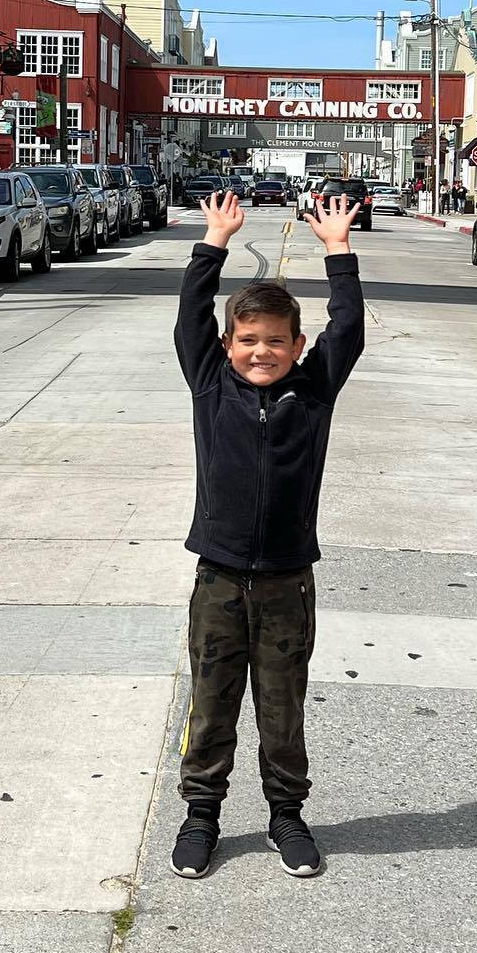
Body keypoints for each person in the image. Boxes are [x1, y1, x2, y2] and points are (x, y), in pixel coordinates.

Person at [171, 189, 365, 881]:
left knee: (282, 711)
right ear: (229, 346)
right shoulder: (209, 385)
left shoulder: (312, 393)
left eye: (275, 341)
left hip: (287, 580)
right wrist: (214, 243)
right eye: (248, 341)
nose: (261, 352)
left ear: (297, 347)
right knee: (211, 700)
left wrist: (339, 253)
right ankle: (201, 815)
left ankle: (287, 814)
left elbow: (349, 332)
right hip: (218, 579)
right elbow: (190, 319)